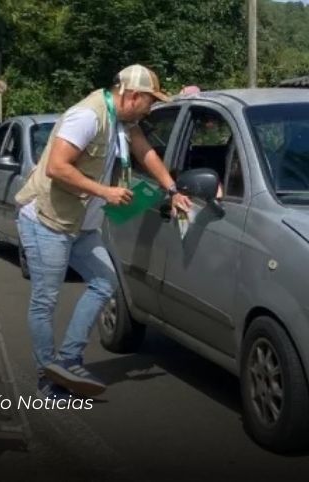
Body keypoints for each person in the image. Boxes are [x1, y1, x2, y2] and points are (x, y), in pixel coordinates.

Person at [14, 64, 191, 399]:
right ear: (132, 96)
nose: (150, 108)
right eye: (149, 101)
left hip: (82, 224)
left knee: (105, 281)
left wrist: (172, 188)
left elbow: (145, 153)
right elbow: (56, 167)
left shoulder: (125, 121)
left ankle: (68, 359)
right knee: (45, 300)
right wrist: (104, 192)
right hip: (47, 219)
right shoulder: (88, 115)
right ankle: (46, 377)